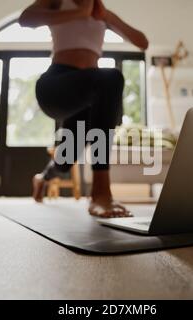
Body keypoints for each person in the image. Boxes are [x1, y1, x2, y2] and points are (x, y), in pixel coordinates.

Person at [19, 0, 149, 218]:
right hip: (56, 86)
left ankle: (42, 178)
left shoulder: (102, 13)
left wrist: (108, 17)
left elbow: (142, 42)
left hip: (90, 94)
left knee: (66, 159)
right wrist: (80, 12)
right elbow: (25, 20)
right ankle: (100, 193)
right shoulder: (59, 2)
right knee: (111, 78)